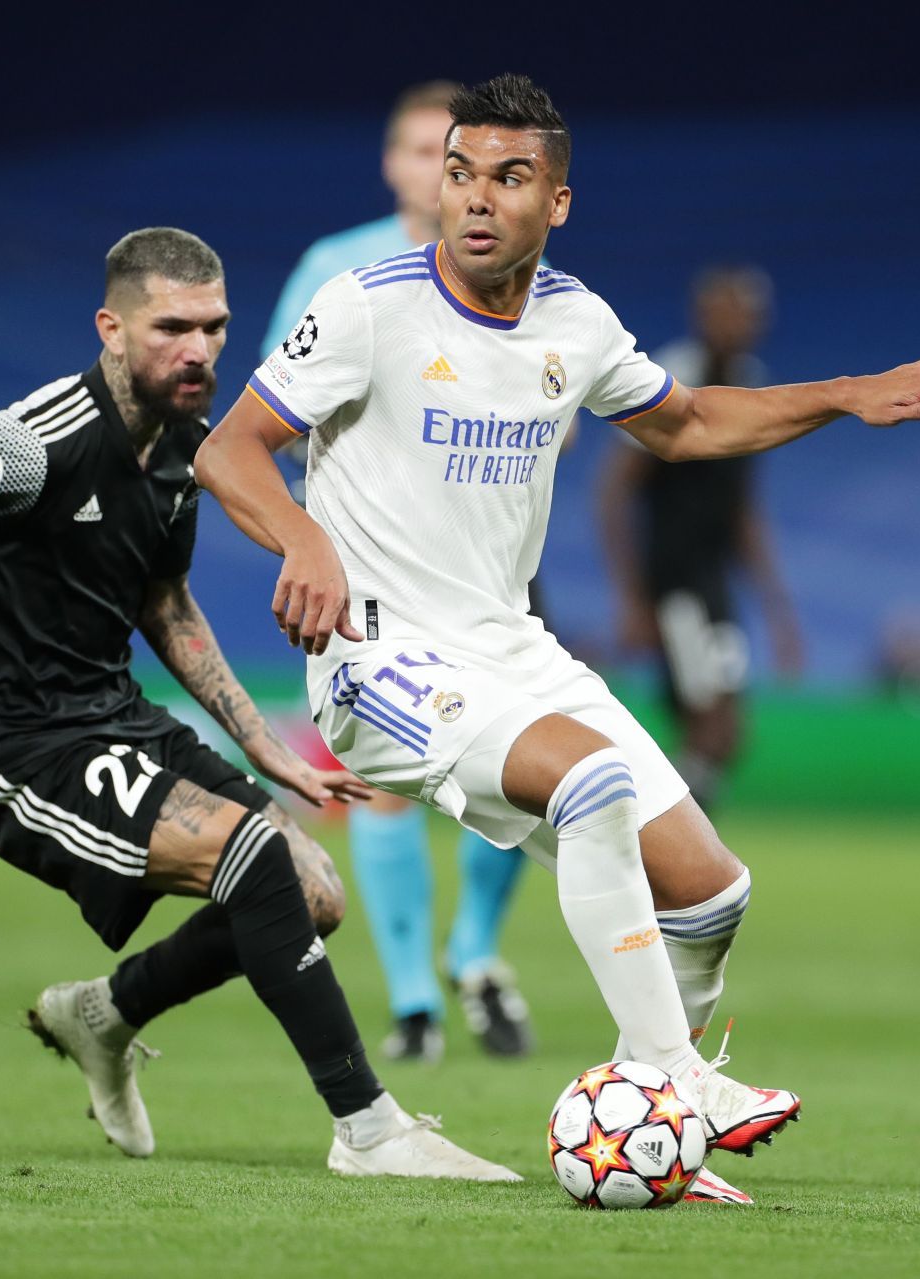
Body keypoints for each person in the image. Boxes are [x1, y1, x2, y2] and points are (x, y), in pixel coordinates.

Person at [195, 74, 920, 1206]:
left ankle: (641, 1117)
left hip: (507, 648)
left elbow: (688, 420)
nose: (474, 198)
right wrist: (303, 542)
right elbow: (229, 451)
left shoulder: (574, 321)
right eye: (459, 171)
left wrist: (848, 391)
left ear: (556, 201)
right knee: (592, 782)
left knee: (713, 894)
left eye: (509, 178)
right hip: (378, 663)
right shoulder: (368, 303)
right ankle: (676, 1084)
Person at [0, 226, 514, 1182]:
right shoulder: (28, 446)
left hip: (112, 719)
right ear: (111, 327)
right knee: (256, 856)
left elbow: (164, 602)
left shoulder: (186, 445)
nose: (198, 350)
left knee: (314, 895)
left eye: (215, 327)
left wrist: (255, 739)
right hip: (15, 753)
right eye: (172, 328)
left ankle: (103, 1012)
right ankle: (369, 1127)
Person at [264, 81, 535, 1063]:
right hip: (374, 572)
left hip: (490, 568)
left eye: (457, 155)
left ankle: (473, 950)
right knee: (387, 780)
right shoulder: (336, 271)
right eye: (425, 152)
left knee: (533, 773)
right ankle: (418, 1002)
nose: (441, 172)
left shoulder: (515, 271)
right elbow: (267, 421)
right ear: (394, 164)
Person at [598, 266, 803, 809]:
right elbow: (614, 490)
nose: (739, 323)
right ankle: (658, 835)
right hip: (676, 584)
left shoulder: (750, 382)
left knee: (725, 732)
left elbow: (742, 508)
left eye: (749, 314)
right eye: (726, 311)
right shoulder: (673, 380)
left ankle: (661, 835)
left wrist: (777, 609)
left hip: (714, 587)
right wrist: (633, 597)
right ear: (702, 316)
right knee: (710, 723)